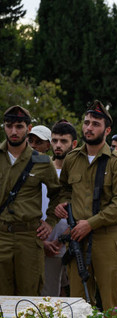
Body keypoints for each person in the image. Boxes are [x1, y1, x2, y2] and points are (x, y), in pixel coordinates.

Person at [55, 101, 117, 311]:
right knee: (79, 307)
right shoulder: (71, 159)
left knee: (113, 305)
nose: (89, 128)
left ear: (107, 130)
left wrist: (90, 224)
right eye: (86, 122)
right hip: (78, 240)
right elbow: (65, 190)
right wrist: (62, 204)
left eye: (95, 124)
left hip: (108, 239)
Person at [0, 105, 60, 296]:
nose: (14, 131)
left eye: (19, 126)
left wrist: (50, 222)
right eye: (9, 126)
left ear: (29, 128)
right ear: (4, 127)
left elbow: (58, 194)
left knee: (29, 298)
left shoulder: (42, 161)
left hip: (28, 237)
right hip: (1, 235)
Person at [42, 120, 78, 296]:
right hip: (44, 244)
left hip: (72, 243)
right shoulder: (41, 169)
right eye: (54, 140)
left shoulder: (80, 174)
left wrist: (63, 238)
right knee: (47, 297)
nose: (58, 145)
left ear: (74, 144)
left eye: (63, 141)